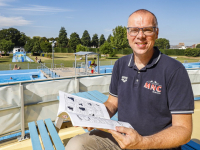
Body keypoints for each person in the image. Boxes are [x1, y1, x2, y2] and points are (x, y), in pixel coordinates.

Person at [66, 9, 194, 150]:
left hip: (155, 144)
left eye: (147, 30)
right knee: (76, 145)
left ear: (156, 33)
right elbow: (112, 103)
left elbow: (184, 130)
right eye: (134, 30)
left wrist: (143, 143)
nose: (140, 36)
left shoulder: (174, 70)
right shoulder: (120, 64)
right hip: (121, 137)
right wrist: (93, 116)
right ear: (128, 34)